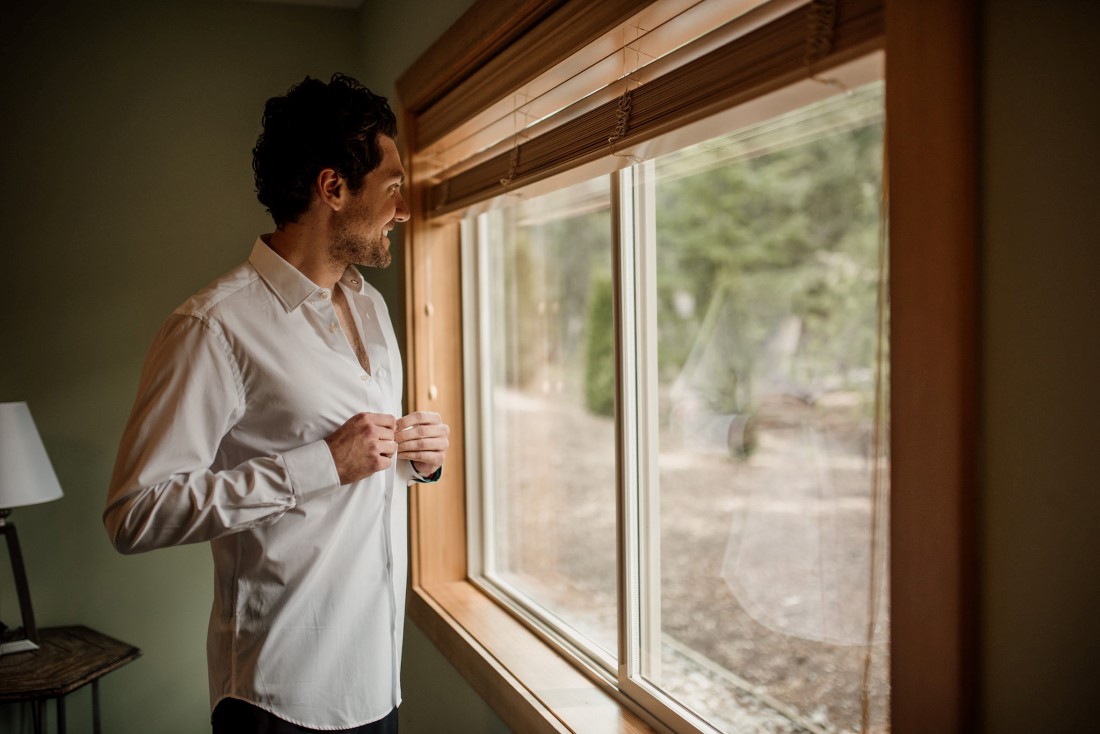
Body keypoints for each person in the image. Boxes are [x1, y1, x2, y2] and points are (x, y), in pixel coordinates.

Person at [104, 73, 448, 734]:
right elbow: (133, 514)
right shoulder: (214, 326)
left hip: (378, 681)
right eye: (393, 188)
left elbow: (358, 467)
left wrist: (415, 461)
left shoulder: (372, 308)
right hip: (280, 698)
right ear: (333, 188)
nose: (404, 210)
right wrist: (321, 465)